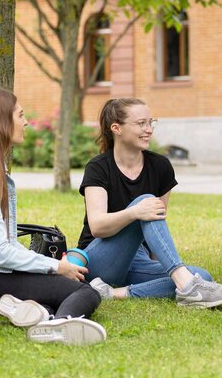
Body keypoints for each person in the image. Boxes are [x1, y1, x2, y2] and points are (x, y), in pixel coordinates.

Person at [0, 87, 106, 345]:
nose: (26, 122)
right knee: (86, 292)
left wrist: (46, 267)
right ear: (0, 122)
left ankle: (33, 312)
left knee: (53, 288)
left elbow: (2, 245)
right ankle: (59, 325)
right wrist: (56, 266)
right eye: (20, 115)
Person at [77, 98, 222, 308]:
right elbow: (98, 227)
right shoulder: (98, 167)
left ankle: (114, 293)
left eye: (150, 122)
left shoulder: (160, 166)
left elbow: (158, 222)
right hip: (100, 259)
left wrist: (157, 265)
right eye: (141, 123)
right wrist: (134, 212)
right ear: (116, 128)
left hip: (139, 259)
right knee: (146, 202)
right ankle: (187, 286)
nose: (148, 130)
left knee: (202, 275)